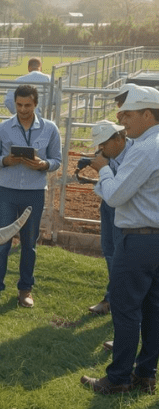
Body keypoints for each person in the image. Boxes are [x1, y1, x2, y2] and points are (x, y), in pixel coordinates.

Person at [81, 84, 159, 396]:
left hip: (138, 241)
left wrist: (102, 171)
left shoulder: (143, 149)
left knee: (126, 310)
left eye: (128, 114)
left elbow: (114, 197)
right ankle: (145, 374)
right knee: (154, 310)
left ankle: (118, 378)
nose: (122, 119)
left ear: (148, 114)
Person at [0, 84, 62, 310]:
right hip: (6, 191)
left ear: (36, 104)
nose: (23, 109)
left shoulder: (50, 129)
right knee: (1, 242)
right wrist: (5, 161)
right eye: (19, 105)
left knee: (29, 243)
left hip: (35, 193)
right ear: (14, 103)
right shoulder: (3, 128)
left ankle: (25, 289)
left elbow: (57, 160)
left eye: (27, 105)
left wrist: (43, 164)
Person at [84, 119, 132, 317]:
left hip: (128, 211)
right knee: (110, 251)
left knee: (123, 257)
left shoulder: (134, 156)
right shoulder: (111, 154)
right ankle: (114, 298)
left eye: (104, 143)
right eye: (99, 144)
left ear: (120, 138)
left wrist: (103, 168)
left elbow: (122, 189)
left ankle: (120, 301)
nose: (101, 148)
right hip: (109, 205)